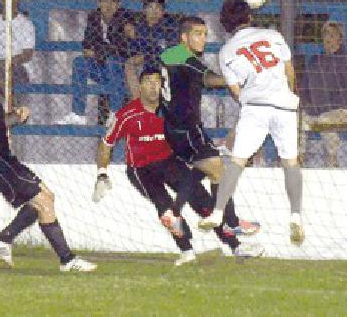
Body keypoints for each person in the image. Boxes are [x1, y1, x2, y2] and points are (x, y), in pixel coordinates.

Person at [0, 48, 97, 272]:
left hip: (7, 160)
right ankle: (67, 260)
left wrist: (16, 116)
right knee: (43, 202)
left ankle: (5, 237)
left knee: (47, 198)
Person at [93, 66, 262, 264]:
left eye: (157, 82)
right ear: (140, 86)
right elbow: (106, 144)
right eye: (148, 82)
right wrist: (102, 173)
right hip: (141, 169)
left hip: (170, 162)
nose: (153, 87)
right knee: (166, 210)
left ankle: (236, 247)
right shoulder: (126, 115)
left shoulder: (171, 110)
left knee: (204, 202)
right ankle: (187, 251)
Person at [199, 0, 305, 246]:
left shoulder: (226, 51)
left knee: (236, 161)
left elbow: (235, 90)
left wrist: (247, 102)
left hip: (255, 106)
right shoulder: (273, 35)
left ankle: (217, 212)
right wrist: (290, 96)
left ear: (225, 24)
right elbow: (289, 71)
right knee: (290, 161)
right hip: (284, 106)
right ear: (249, 16)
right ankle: (296, 216)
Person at [159, 16, 261, 239]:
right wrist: (240, 78)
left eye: (205, 34)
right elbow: (210, 79)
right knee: (218, 171)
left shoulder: (167, 55)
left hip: (171, 128)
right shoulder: (187, 59)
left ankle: (174, 213)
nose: (203, 39)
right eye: (197, 34)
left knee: (205, 170)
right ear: (184, 37)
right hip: (188, 130)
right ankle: (231, 223)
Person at [56, 0, 133, 125]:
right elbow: (86, 47)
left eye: (112, 2)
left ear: (118, 4)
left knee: (113, 60)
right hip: (101, 69)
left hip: (120, 72)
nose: (108, 6)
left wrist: (98, 51)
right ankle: (78, 114)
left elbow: (121, 50)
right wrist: (104, 51)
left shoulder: (124, 18)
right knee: (79, 62)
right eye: (104, 1)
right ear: (99, 3)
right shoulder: (94, 17)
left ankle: (116, 113)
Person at [299, 21, 347, 168]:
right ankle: (298, 159)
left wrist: (325, 107)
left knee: (325, 120)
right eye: (325, 34)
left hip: (345, 110)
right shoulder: (314, 61)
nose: (328, 38)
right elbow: (304, 89)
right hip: (315, 110)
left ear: (340, 38)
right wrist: (308, 106)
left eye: (332, 35)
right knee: (297, 119)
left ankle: (332, 160)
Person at [125, 0, 178, 101]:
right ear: (144, 10)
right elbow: (133, 50)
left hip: (162, 66)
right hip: (144, 67)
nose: (154, 11)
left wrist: (147, 55)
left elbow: (170, 51)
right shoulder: (140, 27)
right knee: (129, 64)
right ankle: (137, 102)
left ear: (163, 11)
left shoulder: (169, 26)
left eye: (158, 8)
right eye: (150, 7)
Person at [0, 0, 35, 106]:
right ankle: (12, 105)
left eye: (12, 0)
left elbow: (27, 55)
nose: (8, 3)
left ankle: (11, 105)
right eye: (5, 0)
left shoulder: (26, 24)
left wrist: (6, 63)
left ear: (17, 2)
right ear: (1, 2)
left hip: (18, 67)